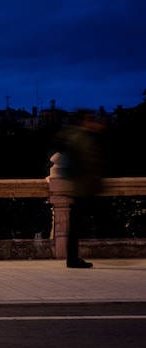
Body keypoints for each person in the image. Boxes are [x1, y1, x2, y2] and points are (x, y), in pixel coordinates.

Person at [56, 112, 108, 269]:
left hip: (81, 186)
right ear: (83, 121)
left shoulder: (76, 136)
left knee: (76, 225)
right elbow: (88, 161)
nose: (94, 122)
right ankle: (72, 259)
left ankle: (72, 258)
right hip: (83, 187)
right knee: (77, 225)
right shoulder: (80, 138)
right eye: (90, 119)